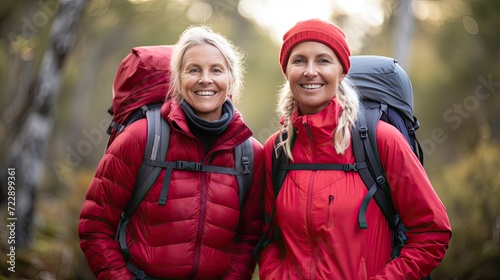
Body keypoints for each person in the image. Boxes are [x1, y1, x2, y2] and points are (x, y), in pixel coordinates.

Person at [258, 18, 452, 279]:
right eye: (299, 60)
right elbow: (266, 236)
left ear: (342, 72)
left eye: (324, 60)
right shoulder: (276, 149)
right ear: (287, 71)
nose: (310, 71)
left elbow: (432, 232)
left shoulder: (381, 140)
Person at [79, 25, 264, 279]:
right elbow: (95, 227)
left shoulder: (250, 153)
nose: (205, 79)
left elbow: (249, 237)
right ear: (177, 78)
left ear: (231, 79)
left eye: (216, 70)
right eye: (194, 70)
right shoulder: (141, 137)